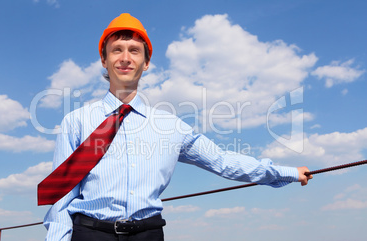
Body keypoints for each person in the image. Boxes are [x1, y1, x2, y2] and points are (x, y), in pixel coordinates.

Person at [42, 13, 313, 241]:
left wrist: (287, 172)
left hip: (148, 235)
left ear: (146, 63)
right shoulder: (76, 122)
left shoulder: (170, 126)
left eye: (134, 51)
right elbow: (61, 197)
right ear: (104, 60)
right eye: (117, 50)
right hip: (91, 235)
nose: (125, 57)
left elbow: (223, 161)